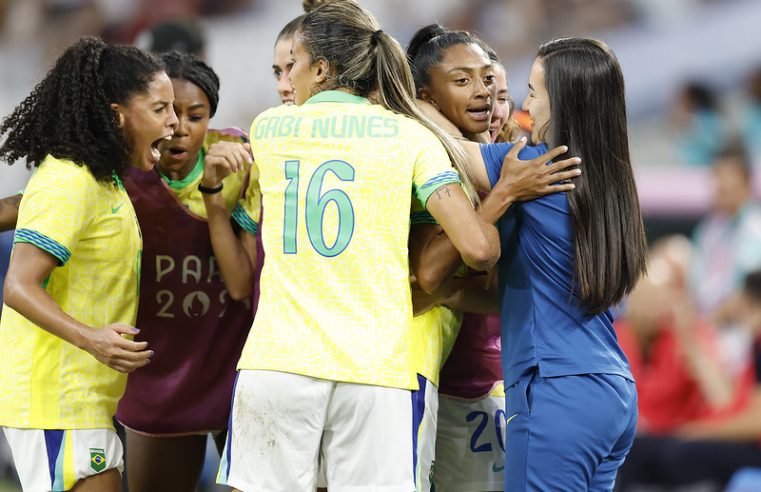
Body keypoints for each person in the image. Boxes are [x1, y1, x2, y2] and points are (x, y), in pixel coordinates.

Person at [218, 2, 505, 490]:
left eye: (296, 64)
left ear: (323, 68)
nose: (290, 77)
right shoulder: (410, 137)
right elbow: (478, 249)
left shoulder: (269, 128)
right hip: (376, 371)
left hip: (279, 361)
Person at [422, 37, 647, 491]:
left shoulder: (535, 167)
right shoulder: (608, 174)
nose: (523, 105)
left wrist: (403, 91)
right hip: (611, 391)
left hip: (556, 393)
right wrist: (449, 292)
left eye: (533, 92)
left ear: (563, 102)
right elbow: (535, 290)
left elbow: (443, 143)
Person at [0, 37, 178, 492]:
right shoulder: (69, 179)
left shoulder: (100, 178)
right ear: (118, 114)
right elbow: (19, 285)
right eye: (160, 109)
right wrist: (93, 340)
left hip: (82, 402)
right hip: (56, 398)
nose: (174, 123)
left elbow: (34, 205)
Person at [114, 51, 258, 492]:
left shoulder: (239, 163)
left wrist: (214, 195)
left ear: (211, 118)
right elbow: (35, 205)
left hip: (232, 367)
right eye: (166, 112)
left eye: (194, 115)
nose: (177, 127)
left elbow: (239, 286)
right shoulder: (117, 167)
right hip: (158, 370)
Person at [618, 269, 761, 491]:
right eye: (643, 298)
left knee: (679, 454)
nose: (650, 307)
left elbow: (725, 401)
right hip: (647, 436)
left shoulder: (689, 335)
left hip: (681, 436)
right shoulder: (615, 337)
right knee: (630, 451)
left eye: (657, 298)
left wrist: (696, 430)